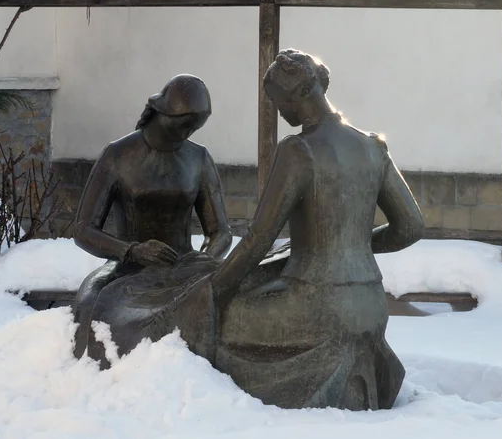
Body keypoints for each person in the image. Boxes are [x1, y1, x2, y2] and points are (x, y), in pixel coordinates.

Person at [207, 49, 425, 410]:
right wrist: (357, 245)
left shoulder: (298, 150)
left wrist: (214, 288)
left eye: (278, 102)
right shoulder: (372, 145)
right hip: (371, 306)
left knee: (224, 315)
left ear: (298, 95)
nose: (279, 111)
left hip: (317, 305)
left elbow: (259, 238)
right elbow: (412, 226)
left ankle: (233, 404)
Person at [71, 74, 232, 359]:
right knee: (94, 311)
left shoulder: (199, 158)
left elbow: (220, 230)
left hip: (185, 269)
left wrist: (206, 256)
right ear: (163, 112)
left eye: (195, 127)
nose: (189, 133)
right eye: (184, 124)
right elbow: (83, 229)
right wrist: (132, 251)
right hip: (128, 271)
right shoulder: (118, 155)